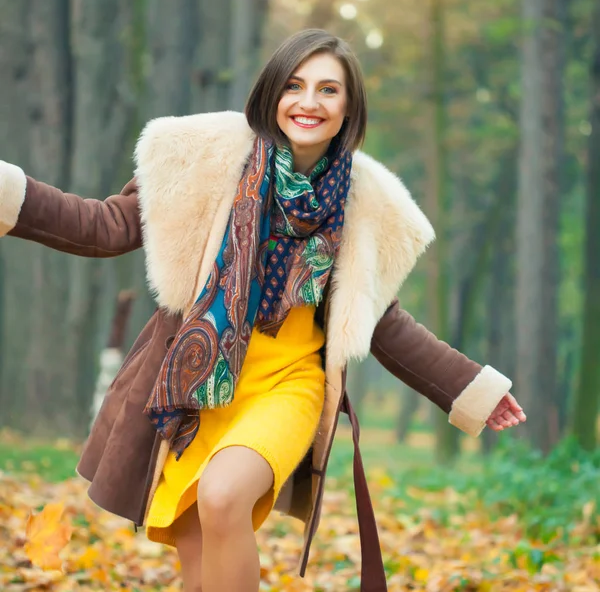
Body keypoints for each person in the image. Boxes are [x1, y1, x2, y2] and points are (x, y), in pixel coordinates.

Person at [0, 29, 526, 592]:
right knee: (199, 564)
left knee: (223, 493)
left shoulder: (361, 203)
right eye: (295, 85)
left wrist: (470, 387)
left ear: (348, 107)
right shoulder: (205, 160)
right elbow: (105, 225)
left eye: (328, 90)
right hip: (200, 379)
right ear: (272, 91)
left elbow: (382, 322)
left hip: (287, 383)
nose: (309, 102)